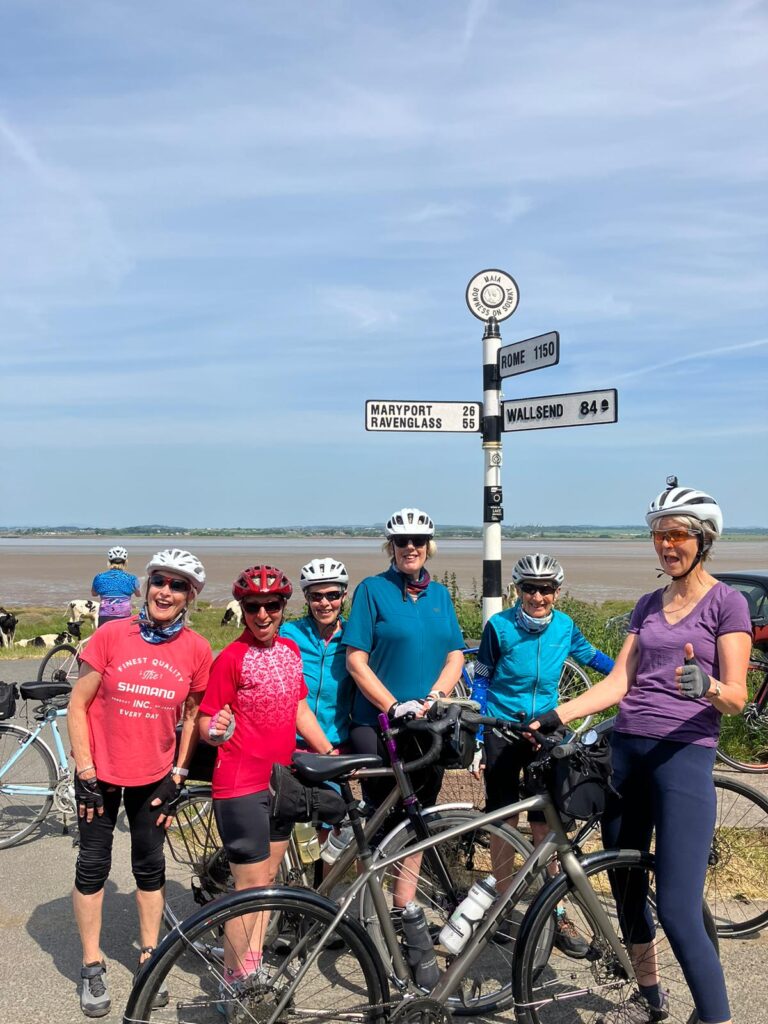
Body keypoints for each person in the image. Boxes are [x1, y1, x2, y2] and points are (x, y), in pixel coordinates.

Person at [530, 480, 751, 1024]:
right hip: (626, 754)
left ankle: (715, 1016)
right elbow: (620, 682)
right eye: (658, 535)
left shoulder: (728, 602)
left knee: (677, 908)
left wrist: (710, 687)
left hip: (683, 759)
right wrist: (557, 714)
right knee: (627, 893)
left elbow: (739, 698)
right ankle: (650, 994)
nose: (665, 545)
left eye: (676, 534)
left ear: (703, 540)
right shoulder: (649, 603)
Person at [69, 549, 212, 1018]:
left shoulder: (195, 648)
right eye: (159, 582)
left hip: (153, 775)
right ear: (146, 586)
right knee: (93, 866)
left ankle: (149, 956)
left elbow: (193, 715)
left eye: (177, 585)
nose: (165, 592)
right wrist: (86, 772)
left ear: (189, 596)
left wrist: (179, 772)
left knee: (149, 869)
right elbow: (78, 704)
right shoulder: (112, 635)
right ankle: (92, 964)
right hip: (100, 774)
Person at [198, 565, 335, 997]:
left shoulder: (291, 651)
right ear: (241, 609)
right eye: (253, 607)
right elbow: (205, 722)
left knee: (268, 883)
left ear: (282, 608)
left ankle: (250, 968)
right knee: (249, 889)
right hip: (240, 785)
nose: (262, 615)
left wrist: (331, 754)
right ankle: (234, 985)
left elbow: (299, 710)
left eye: (271, 606)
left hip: (282, 783)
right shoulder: (230, 659)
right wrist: (215, 730)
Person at [470, 552, 615, 954]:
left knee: (548, 824)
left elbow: (595, 660)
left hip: (547, 732)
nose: (538, 596)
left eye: (546, 589)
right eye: (530, 588)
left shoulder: (565, 627)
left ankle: (558, 910)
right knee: (502, 818)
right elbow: (481, 678)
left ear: (557, 592)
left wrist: (632, 672)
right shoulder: (498, 626)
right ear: (518, 590)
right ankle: (500, 903)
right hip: (503, 728)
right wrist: (482, 736)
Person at [344, 508, 465, 905]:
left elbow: (455, 656)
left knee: (419, 818)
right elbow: (356, 661)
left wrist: (432, 700)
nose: (409, 547)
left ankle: (403, 905)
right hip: (378, 722)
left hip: (426, 724)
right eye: (401, 541)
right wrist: (393, 705)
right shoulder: (371, 590)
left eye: (417, 541)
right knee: (378, 818)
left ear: (429, 547)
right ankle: (369, 906)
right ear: (390, 546)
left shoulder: (440, 595)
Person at [281, 557, 354, 755]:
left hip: (335, 744)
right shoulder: (288, 634)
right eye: (316, 596)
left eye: (333, 595)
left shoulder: (353, 636)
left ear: (344, 596)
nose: (324, 603)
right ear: (306, 597)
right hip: (291, 745)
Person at [91, 546, 140, 628]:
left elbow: (94, 593)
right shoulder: (132, 578)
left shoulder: (99, 577)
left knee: (105, 639)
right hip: (124, 616)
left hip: (105, 616)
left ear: (109, 562)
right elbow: (138, 594)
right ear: (125, 562)